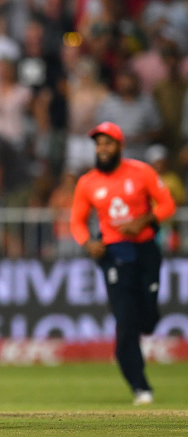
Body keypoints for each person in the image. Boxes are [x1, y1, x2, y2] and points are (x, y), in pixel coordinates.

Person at [70, 121, 176, 405]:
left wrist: (144, 220)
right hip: (114, 253)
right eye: (98, 144)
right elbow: (77, 221)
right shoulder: (88, 182)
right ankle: (140, 386)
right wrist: (88, 243)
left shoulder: (142, 172)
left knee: (148, 318)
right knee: (126, 320)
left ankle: (144, 325)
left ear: (120, 146)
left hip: (145, 249)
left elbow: (167, 204)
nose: (102, 149)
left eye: (108, 143)